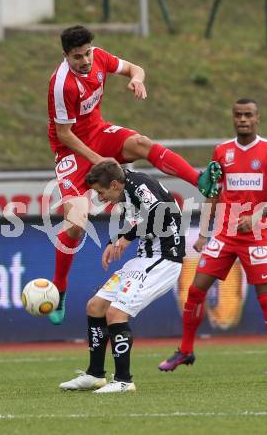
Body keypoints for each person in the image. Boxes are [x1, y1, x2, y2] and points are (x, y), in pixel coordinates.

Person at [47, 25, 218, 325]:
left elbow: (135, 68)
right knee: (76, 222)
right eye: (77, 57)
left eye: (87, 53)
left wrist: (137, 81)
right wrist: (97, 159)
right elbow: (64, 134)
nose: (85, 61)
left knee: (142, 143)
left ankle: (199, 178)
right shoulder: (61, 85)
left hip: (98, 132)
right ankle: (60, 288)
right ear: (65, 56)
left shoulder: (99, 58)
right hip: (72, 151)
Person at [158, 98, 267, 375]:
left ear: (257, 118)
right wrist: (204, 233)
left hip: (255, 235)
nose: (243, 119)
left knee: (266, 295)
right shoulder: (222, 151)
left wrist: (256, 216)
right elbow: (212, 195)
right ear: (233, 118)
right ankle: (186, 350)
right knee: (195, 291)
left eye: (248, 115)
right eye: (238, 115)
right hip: (224, 235)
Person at [59, 160, 186, 393]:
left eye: (101, 192)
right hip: (144, 257)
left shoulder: (139, 186)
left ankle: (124, 381)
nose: (100, 197)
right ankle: (95, 375)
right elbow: (139, 218)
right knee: (95, 306)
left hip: (164, 259)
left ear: (115, 184)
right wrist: (114, 241)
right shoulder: (126, 188)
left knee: (116, 313)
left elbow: (159, 212)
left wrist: (126, 239)